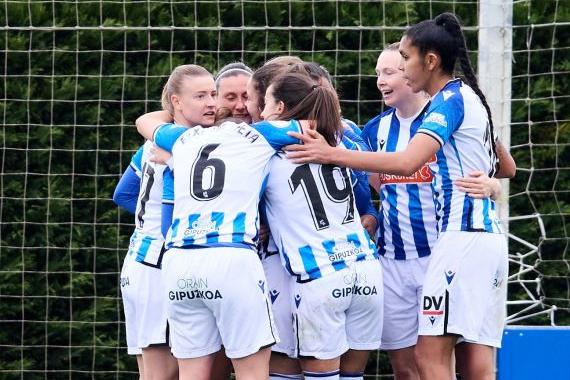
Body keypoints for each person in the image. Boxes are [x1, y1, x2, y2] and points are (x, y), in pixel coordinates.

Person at [284, 12, 515, 380]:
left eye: (404, 60)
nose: (399, 71)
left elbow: (408, 162)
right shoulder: (456, 101)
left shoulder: (449, 102)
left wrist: (328, 153)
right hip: (462, 241)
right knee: (436, 360)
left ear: (431, 60)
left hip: (460, 240)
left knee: (435, 356)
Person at [135, 101, 313, 379]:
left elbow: (144, 121)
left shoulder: (182, 137)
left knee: (191, 373)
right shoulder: (259, 134)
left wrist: (180, 107)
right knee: (251, 371)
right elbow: (311, 124)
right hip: (231, 256)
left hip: (179, 260)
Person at [361, 42, 506, 380]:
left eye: (391, 71)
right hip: (394, 259)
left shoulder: (452, 113)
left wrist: (491, 185)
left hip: (442, 252)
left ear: (419, 68)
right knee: (407, 367)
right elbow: (375, 187)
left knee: (452, 357)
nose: (381, 80)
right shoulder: (373, 131)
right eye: (377, 73)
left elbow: (500, 165)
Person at [261, 71, 383, 380]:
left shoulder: (265, 153)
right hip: (366, 271)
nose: (259, 112)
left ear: (279, 108)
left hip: (320, 276)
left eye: (264, 103)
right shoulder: (336, 143)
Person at [112, 64, 217, 380]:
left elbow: (123, 193)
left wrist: (146, 224)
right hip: (156, 266)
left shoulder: (156, 142)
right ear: (176, 102)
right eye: (200, 96)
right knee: (166, 372)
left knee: (156, 372)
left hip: (141, 261)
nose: (211, 103)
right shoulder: (186, 144)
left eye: (213, 94)